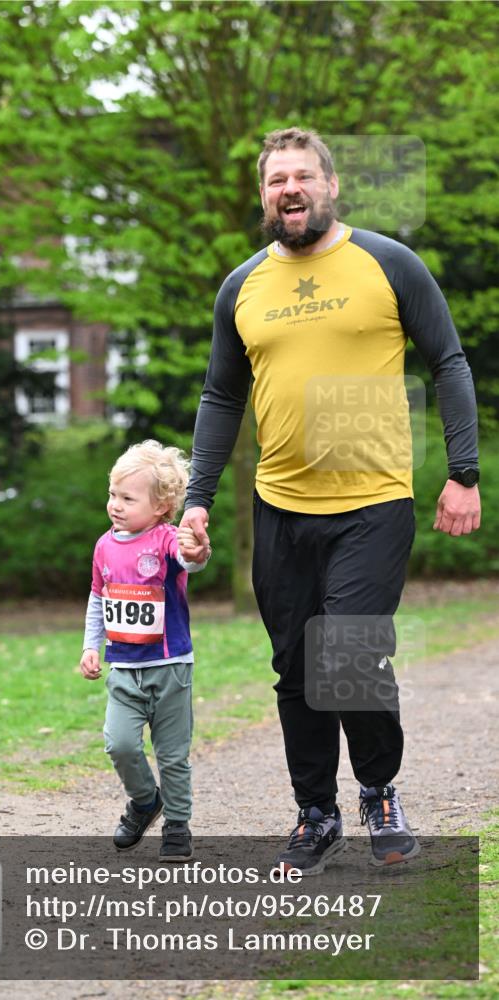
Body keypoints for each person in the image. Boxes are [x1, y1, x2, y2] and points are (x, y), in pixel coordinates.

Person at [179, 127, 481, 874]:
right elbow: (221, 396)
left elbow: (447, 361)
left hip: (371, 500)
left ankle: (377, 788)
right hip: (278, 505)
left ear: (329, 185)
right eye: (276, 178)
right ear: (262, 194)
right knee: (293, 668)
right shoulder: (240, 287)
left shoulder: (386, 263)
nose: (290, 188)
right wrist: (195, 499)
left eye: (302, 175)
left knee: (345, 652)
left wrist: (462, 472)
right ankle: (314, 814)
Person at [80, 440, 210, 861]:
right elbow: (98, 598)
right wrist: (91, 646)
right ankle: (143, 801)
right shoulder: (104, 545)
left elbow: (189, 559)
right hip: (123, 669)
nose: (115, 505)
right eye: (112, 495)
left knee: (172, 755)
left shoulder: (166, 538)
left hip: (170, 667)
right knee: (119, 743)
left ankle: (177, 824)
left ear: (160, 506)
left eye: (127, 498)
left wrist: (196, 552)